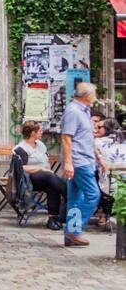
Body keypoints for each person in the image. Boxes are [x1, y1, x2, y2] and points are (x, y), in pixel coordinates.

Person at [60, 81, 103, 247]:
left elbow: (87, 138)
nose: (96, 97)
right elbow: (66, 138)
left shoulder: (84, 110)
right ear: (87, 96)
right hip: (79, 162)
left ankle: (71, 235)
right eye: (95, 93)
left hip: (85, 159)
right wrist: (69, 163)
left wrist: (99, 159)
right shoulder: (73, 111)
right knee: (93, 194)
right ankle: (74, 230)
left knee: (75, 199)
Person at [13, 119, 65, 230]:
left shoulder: (40, 145)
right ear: (33, 133)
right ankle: (70, 194)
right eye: (40, 131)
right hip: (29, 180)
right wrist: (41, 168)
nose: (42, 132)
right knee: (50, 177)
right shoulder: (21, 148)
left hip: (45, 179)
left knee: (52, 186)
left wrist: (45, 169)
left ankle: (52, 219)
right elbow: (22, 168)